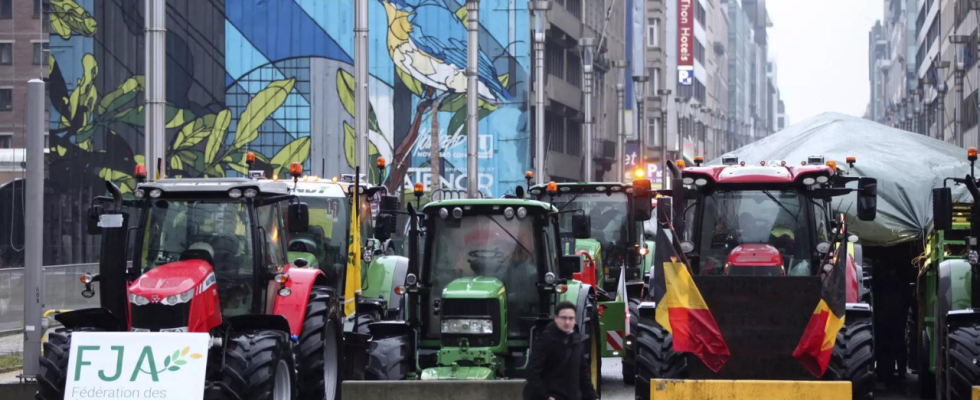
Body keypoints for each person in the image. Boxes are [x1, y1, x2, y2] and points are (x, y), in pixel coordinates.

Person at [523, 301, 600, 400]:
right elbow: (532, 372)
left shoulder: (576, 341)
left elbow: (583, 372)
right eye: (564, 318)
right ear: (556, 318)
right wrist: (545, 396)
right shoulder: (545, 340)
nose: (567, 322)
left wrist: (593, 396)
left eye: (571, 318)